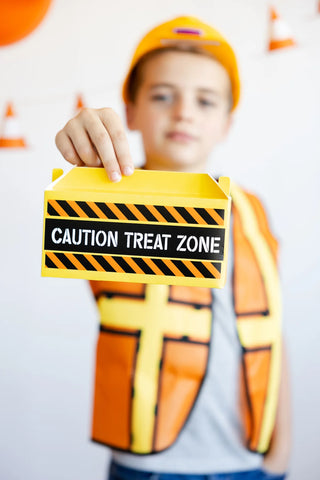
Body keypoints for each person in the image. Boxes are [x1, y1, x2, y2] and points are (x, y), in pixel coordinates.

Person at [55, 16, 291, 480]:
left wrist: (281, 451)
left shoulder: (253, 211)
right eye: (163, 95)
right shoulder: (109, 199)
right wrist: (86, 158)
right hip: (146, 466)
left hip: (249, 463)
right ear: (130, 112)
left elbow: (271, 331)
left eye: (206, 101)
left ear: (226, 123)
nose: (184, 112)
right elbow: (79, 221)